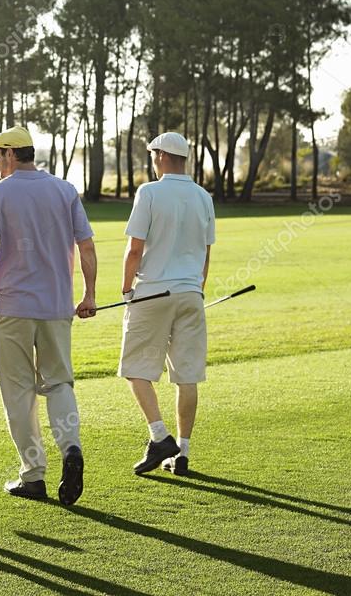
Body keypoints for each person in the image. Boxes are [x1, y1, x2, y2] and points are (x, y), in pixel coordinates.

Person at [0, 126, 97, 506]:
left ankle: (33, 476)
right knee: (59, 383)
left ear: (11, 154)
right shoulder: (65, 190)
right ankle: (71, 447)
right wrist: (89, 294)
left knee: (18, 392)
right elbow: (87, 247)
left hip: (13, 306)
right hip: (58, 305)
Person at [118, 131, 215, 477]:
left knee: (135, 369)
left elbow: (134, 249)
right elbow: (205, 254)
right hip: (191, 294)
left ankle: (160, 437)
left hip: (152, 293)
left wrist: (126, 289)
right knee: (186, 375)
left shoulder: (150, 192)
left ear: (160, 156)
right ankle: (183, 454)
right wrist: (196, 290)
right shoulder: (204, 197)